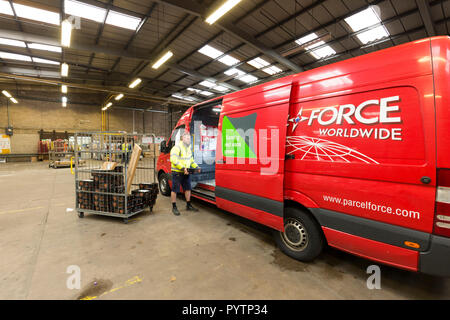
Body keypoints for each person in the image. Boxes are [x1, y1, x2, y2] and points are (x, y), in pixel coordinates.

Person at [170, 131, 201, 215]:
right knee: (175, 190)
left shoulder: (188, 149)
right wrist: (182, 168)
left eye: (189, 138)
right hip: (177, 172)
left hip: (186, 172)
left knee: (188, 189)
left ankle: (188, 205)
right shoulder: (177, 148)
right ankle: (174, 207)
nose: (189, 140)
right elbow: (173, 160)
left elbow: (191, 160)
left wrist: (196, 167)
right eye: (187, 138)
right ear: (182, 138)